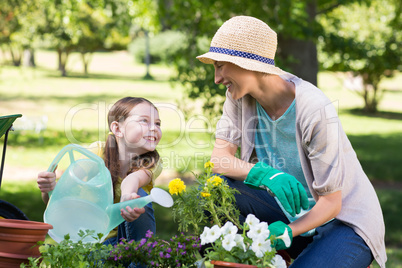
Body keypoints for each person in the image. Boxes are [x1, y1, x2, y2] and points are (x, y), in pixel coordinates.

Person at [196, 16, 386, 267]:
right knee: (218, 191)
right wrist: (264, 175)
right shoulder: (239, 97)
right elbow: (219, 160)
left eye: (221, 66)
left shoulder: (314, 109)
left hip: (343, 222)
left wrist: (289, 231)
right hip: (289, 213)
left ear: (248, 64)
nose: (217, 78)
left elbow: (331, 202)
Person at [37, 97, 163, 247]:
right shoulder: (97, 153)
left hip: (124, 240)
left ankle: (141, 261)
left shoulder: (153, 162)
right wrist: (49, 189)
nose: (154, 128)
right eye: (144, 121)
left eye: (157, 123)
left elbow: (133, 180)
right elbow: (61, 198)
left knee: (140, 197)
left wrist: (128, 198)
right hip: (92, 241)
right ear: (117, 129)